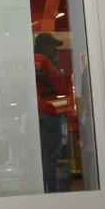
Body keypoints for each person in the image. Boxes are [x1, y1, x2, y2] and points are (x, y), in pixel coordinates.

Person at [34, 33, 66, 193]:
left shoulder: (43, 59)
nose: (55, 50)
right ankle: (50, 191)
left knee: (47, 154)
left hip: (46, 110)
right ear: (45, 44)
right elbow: (37, 72)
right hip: (47, 111)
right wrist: (49, 86)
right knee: (52, 154)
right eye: (53, 46)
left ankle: (47, 188)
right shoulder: (40, 58)